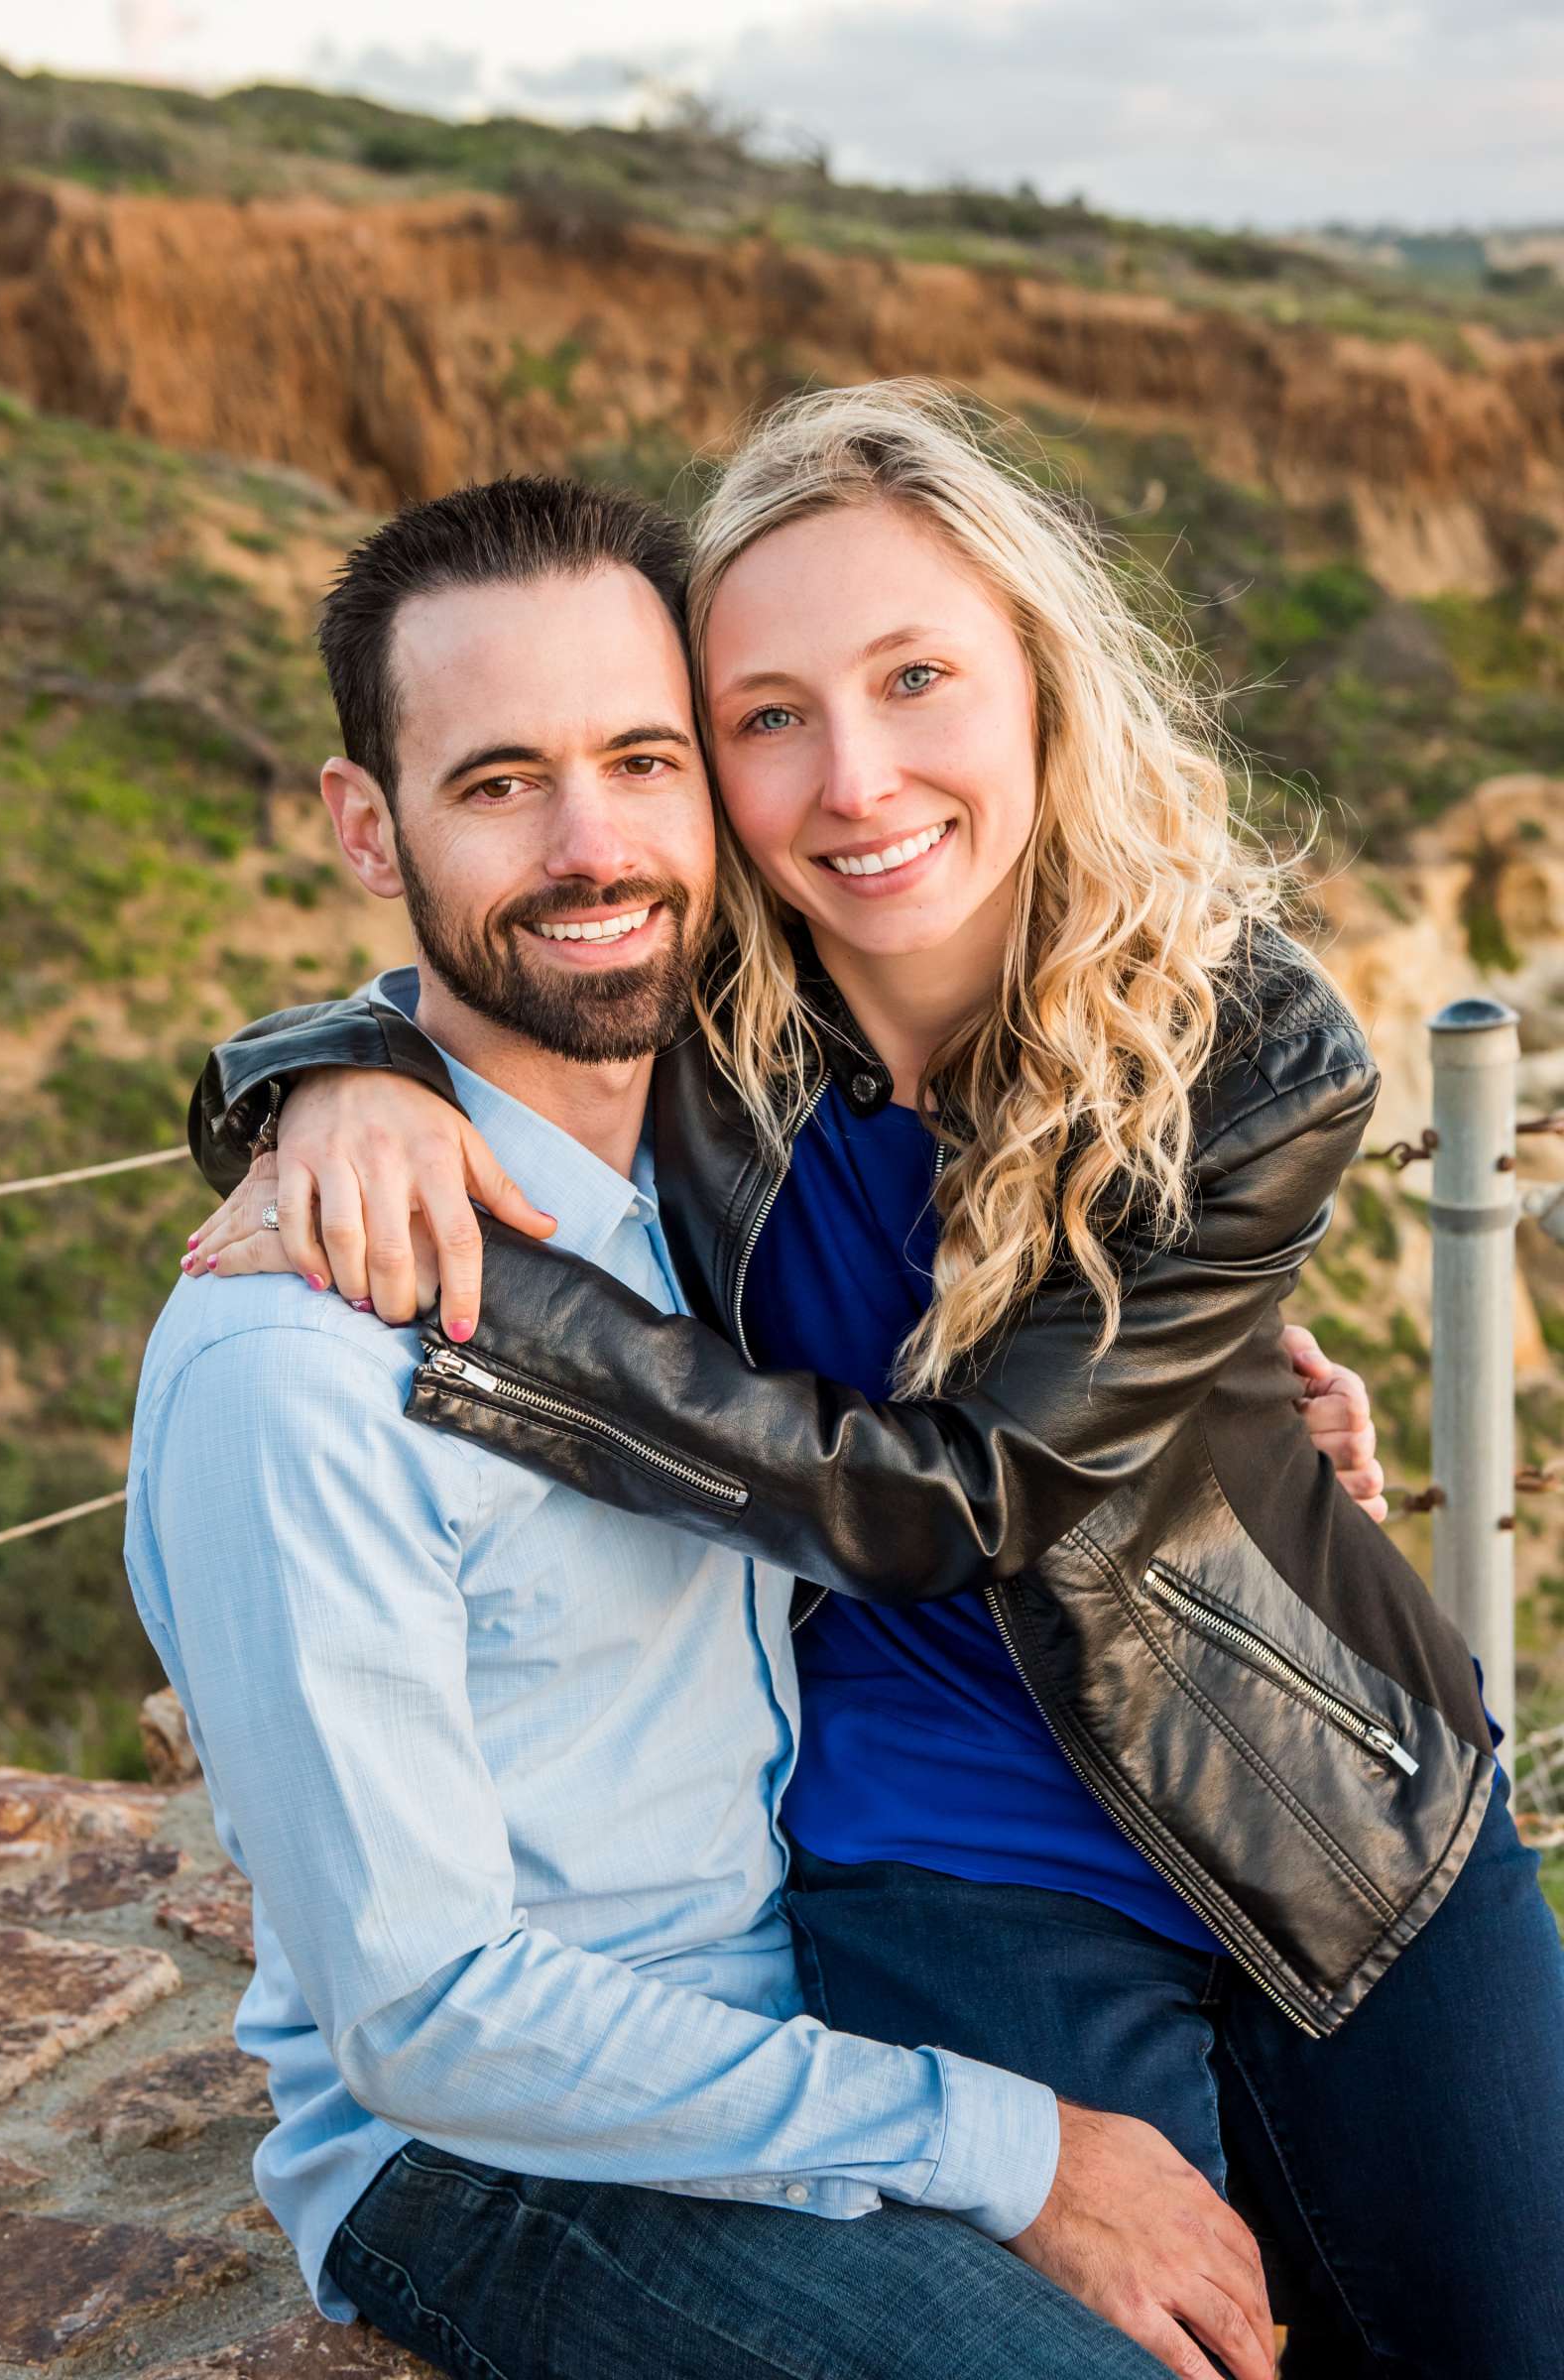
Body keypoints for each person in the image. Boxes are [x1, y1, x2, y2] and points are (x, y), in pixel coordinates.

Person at [186, 385, 1564, 2376]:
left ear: (1035, 682)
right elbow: (503, 931)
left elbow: (959, 1502)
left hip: (1314, 1785)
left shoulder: (1245, 1042)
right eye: (766, 717)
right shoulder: (694, 1005)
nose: (855, 780)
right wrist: (316, 1073)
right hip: (932, 1849)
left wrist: (487, 1315)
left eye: (915, 678)